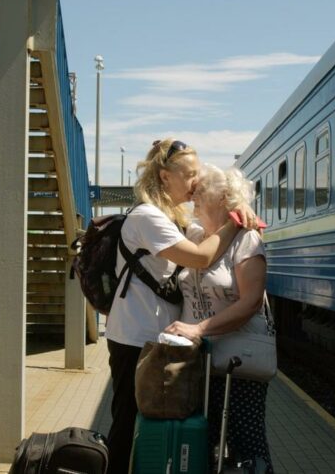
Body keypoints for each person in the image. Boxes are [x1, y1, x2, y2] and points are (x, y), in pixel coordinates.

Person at [105, 138, 256, 473]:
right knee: (128, 423)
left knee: (155, 425)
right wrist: (236, 223)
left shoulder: (173, 219)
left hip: (159, 338)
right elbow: (202, 257)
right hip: (134, 338)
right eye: (189, 175)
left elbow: (209, 231)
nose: (195, 182)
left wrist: (240, 209)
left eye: (197, 174)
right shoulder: (147, 218)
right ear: (164, 177)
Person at [164, 164, 273, 472]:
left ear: (224, 196)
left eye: (201, 190)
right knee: (199, 444)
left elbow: (251, 301)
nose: (194, 195)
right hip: (199, 365)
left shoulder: (248, 240)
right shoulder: (196, 233)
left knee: (248, 447)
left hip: (239, 366)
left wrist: (199, 328)